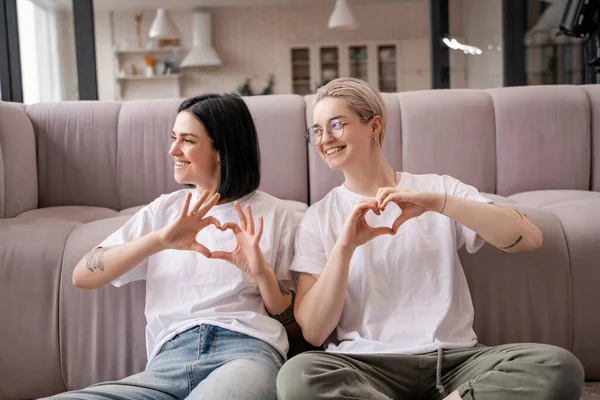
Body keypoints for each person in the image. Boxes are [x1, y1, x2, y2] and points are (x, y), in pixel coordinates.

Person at [276, 78, 584, 400]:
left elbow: (528, 237)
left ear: (374, 126)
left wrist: (439, 203)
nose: (325, 139)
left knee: (558, 366)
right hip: (366, 367)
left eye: (336, 125)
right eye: (317, 130)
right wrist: (345, 247)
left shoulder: (438, 188)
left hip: (456, 361)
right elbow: (313, 331)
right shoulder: (319, 217)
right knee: (299, 376)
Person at [50, 93, 301, 400]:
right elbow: (83, 274)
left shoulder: (277, 216)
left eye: (187, 140)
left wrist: (262, 274)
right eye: (173, 138)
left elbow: (295, 327)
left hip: (246, 353)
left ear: (221, 149)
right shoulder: (164, 212)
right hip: (167, 362)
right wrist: (159, 240)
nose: (172, 150)